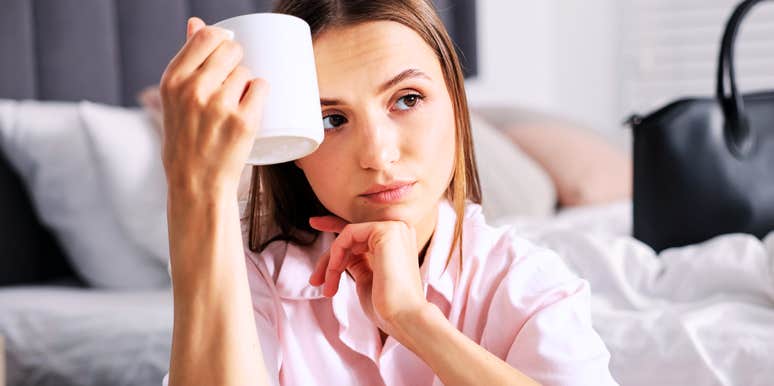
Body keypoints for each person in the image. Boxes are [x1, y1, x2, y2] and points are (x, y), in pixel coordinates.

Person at [161, 1, 618, 385]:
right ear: (296, 148)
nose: (378, 155)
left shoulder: (528, 285)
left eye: (407, 99)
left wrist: (411, 319)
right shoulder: (251, 279)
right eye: (331, 120)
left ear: (457, 107)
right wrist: (197, 191)